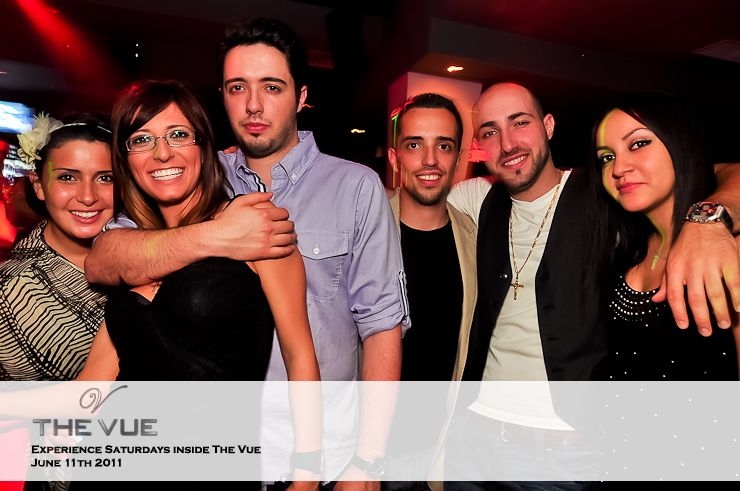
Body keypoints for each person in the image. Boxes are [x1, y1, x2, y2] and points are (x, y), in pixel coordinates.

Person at [83, 19, 409, 488]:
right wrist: (216, 236)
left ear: (301, 96)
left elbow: (381, 324)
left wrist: (369, 460)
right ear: (223, 95)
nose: (253, 104)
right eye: (238, 87)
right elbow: (104, 259)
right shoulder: (192, 171)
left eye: (272, 87)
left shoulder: (355, 186)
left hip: (318, 452)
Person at [443, 82, 740, 487]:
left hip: (565, 457)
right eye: (490, 132)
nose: (508, 143)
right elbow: (412, 199)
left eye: (520, 122)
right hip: (474, 443)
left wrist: (708, 219)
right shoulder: (480, 198)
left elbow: (723, 170)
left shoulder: (603, 198)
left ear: (548, 125)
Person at [587, 93, 739, 380]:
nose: (618, 169)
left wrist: (706, 220)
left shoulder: (723, 249)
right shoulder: (628, 247)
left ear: (681, 144)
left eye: (638, 144)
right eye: (607, 157)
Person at [383, 93, 477, 489]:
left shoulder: (475, 239)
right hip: (370, 453)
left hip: (441, 454)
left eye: (444, 146)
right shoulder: (364, 230)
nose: (429, 160)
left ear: (459, 160)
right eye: (414, 145)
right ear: (395, 158)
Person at [0, 112, 114, 381]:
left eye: (105, 178)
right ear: (39, 185)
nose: (88, 196)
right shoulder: (10, 291)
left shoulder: (143, 252)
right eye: (67, 178)